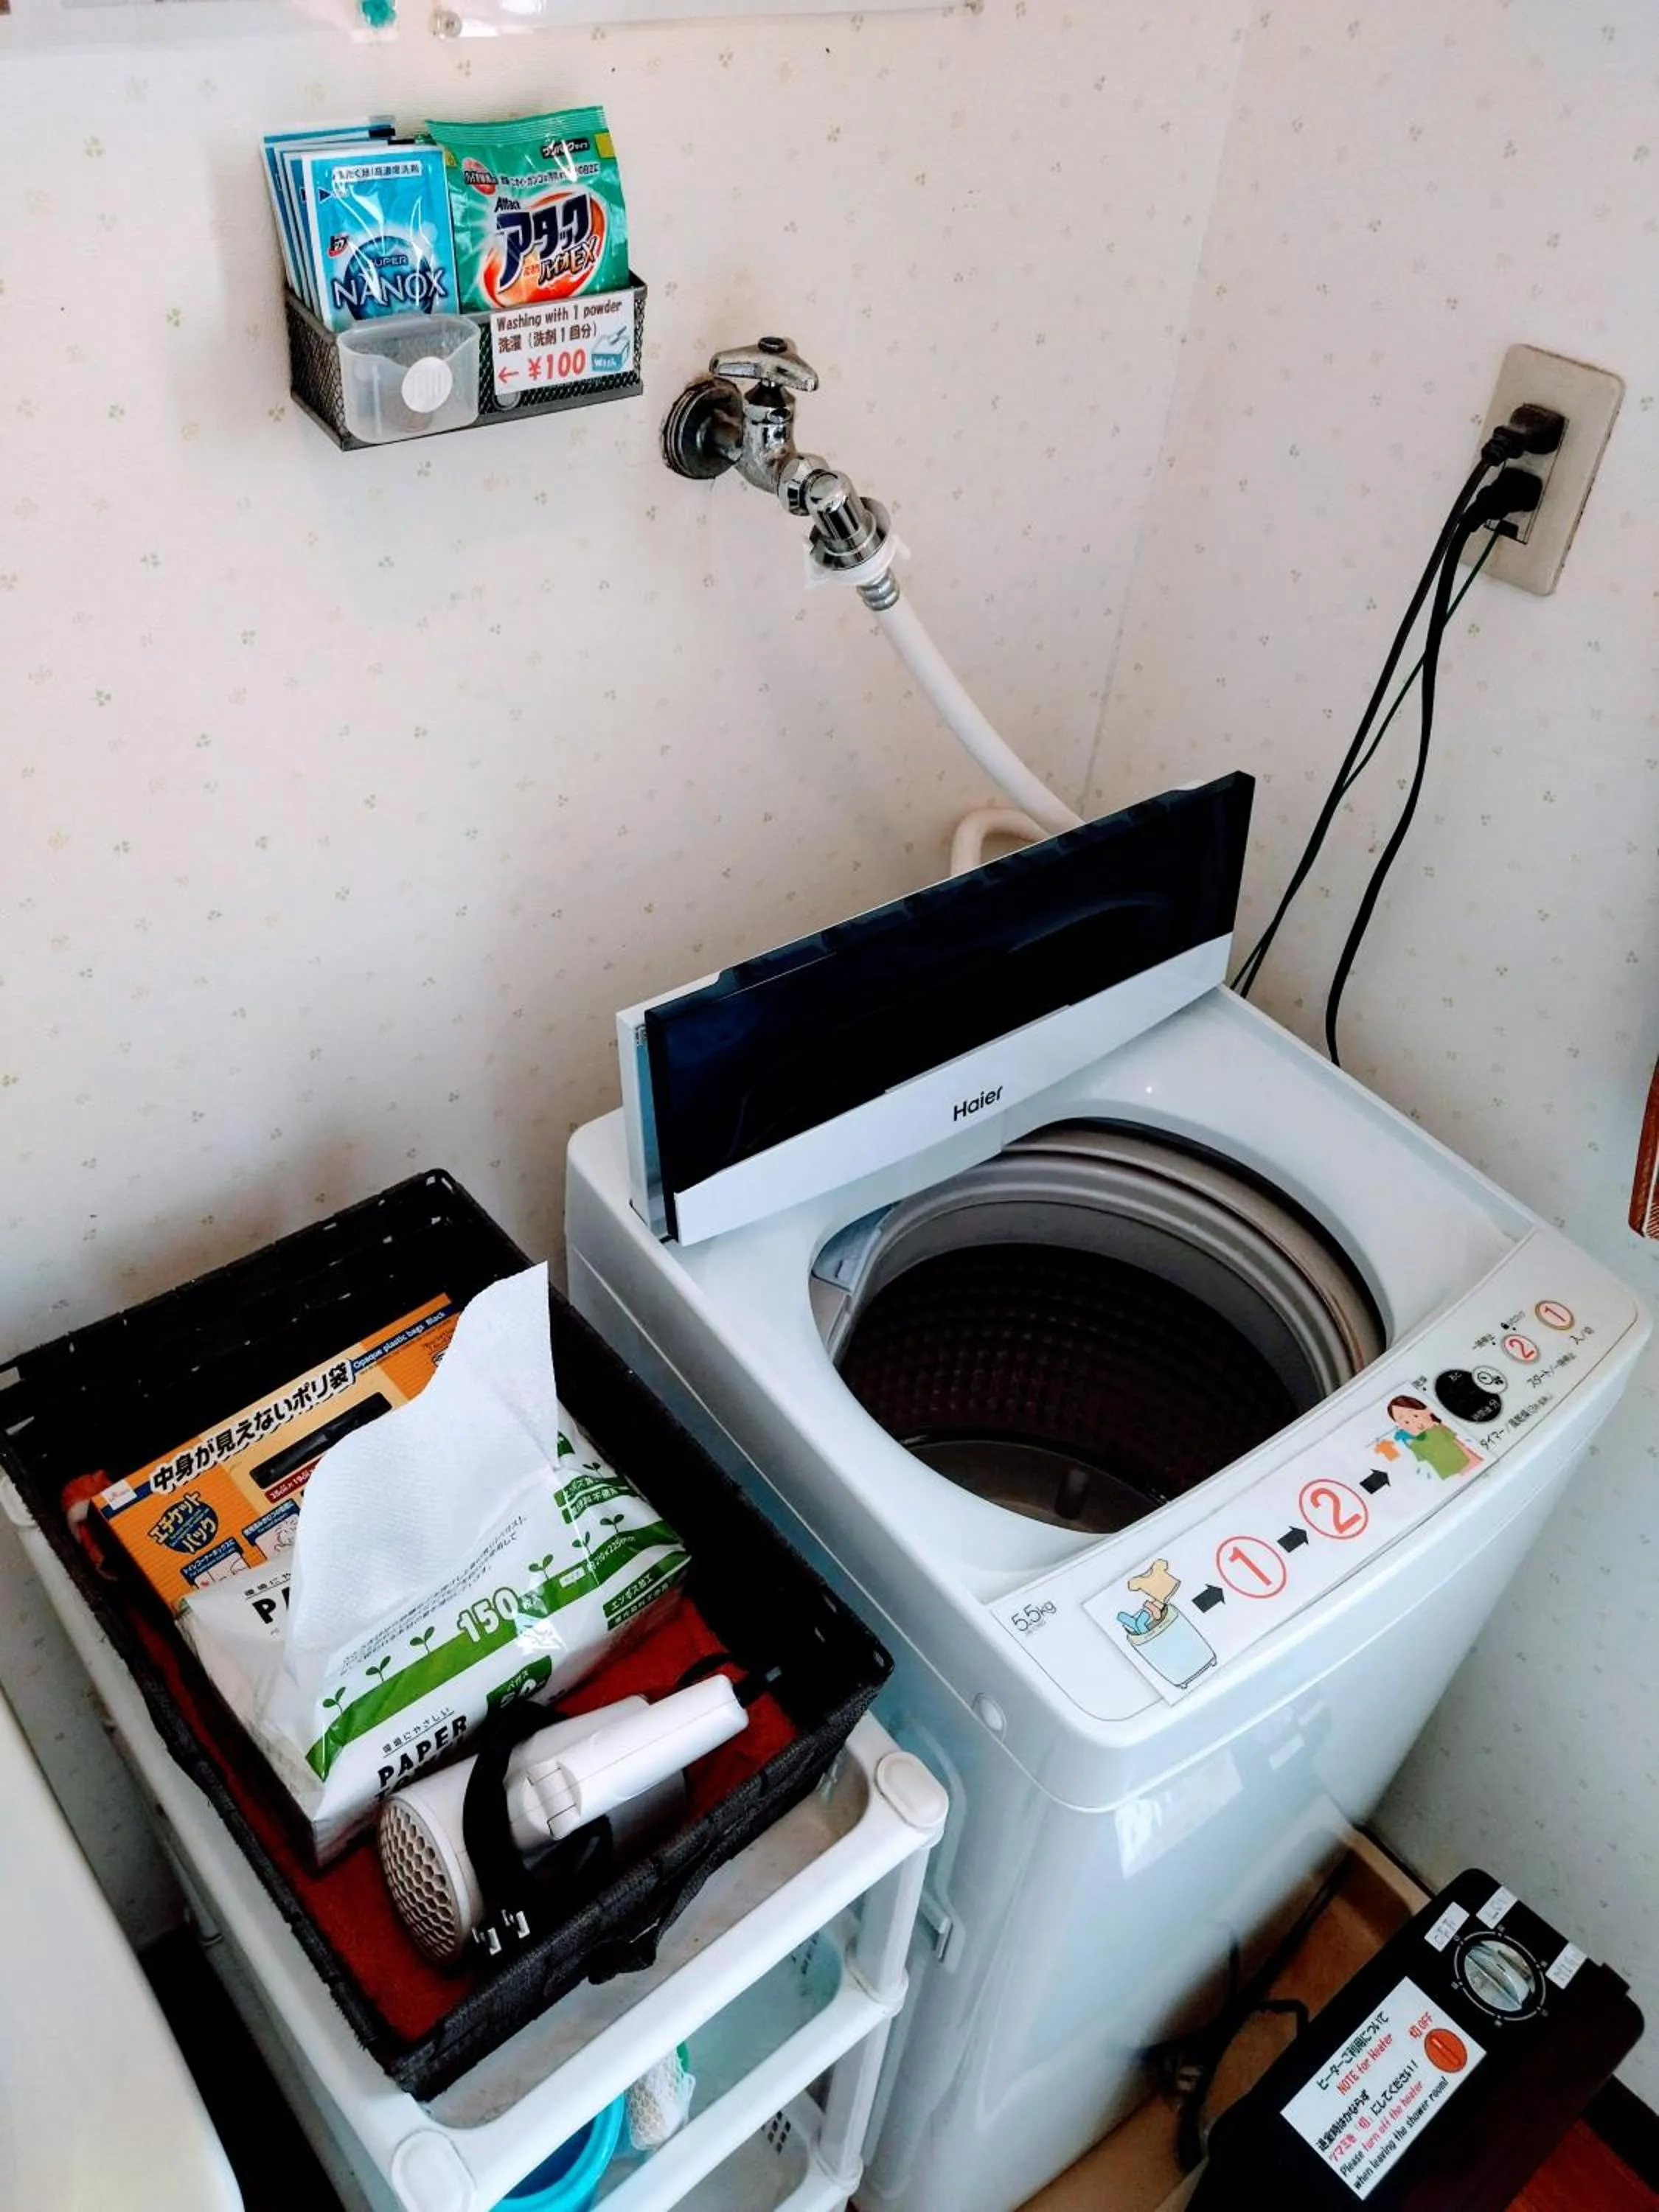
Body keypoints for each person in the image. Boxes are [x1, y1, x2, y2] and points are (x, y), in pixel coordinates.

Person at [1384, 1394, 1480, 1478]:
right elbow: (1421, 1456)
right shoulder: (1416, 1442)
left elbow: (1456, 1441)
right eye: (1406, 1422)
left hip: (1466, 1462)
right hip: (1449, 1470)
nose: (1415, 1423)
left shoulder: (1438, 1428)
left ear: (1426, 1410)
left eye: (1415, 1416)